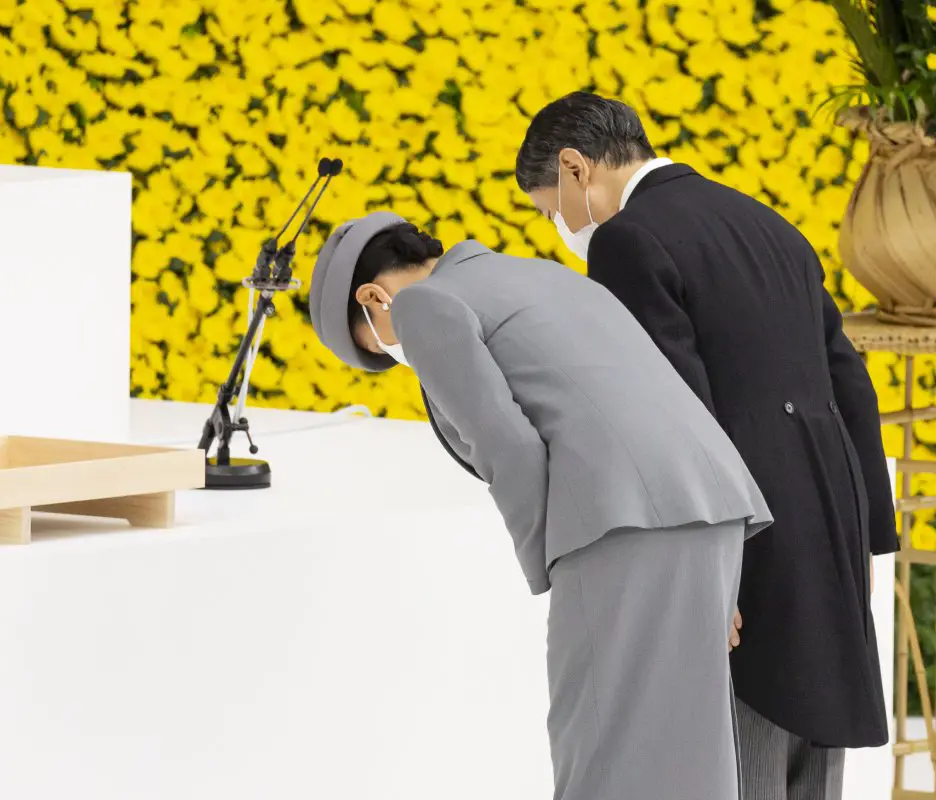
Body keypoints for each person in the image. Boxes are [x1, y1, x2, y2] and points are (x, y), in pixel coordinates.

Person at [308, 211, 773, 800]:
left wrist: (548, 564)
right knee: (692, 747)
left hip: (615, 521)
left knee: (599, 742)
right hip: (710, 505)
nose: (393, 347)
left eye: (375, 338)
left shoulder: (420, 305)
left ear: (374, 297)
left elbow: (506, 445)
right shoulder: (549, 276)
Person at [516, 92, 900, 799]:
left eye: (549, 209)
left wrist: (708, 572)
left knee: (742, 740)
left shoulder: (626, 239)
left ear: (575, 169)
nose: (557, 228)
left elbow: (674, 418)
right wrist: (870, 533)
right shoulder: (770, 224)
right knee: (815, 750)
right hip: (826, 508)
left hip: (741, 523)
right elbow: (849, 378)